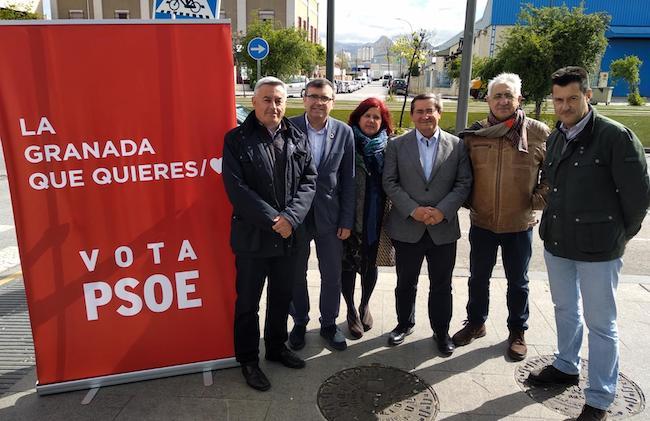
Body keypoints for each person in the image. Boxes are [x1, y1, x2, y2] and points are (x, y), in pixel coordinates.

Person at [527, 66, 650, 421]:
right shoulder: (556, 137)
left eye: (571, 99)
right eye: (558, 99)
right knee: (565, 310)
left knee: (602, 324)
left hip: (599, 249)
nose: (564, 106)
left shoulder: (615, 137)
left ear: (587, 96)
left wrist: (617, 236)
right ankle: (566, 365)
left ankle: (599, 397)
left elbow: (638, 198)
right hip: (558, 242)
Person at [222, 76, 317, 391]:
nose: (273, 106)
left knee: (282, 296)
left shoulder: (297, 137)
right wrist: (274, 219)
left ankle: (276, 347)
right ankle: (249, 359)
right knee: (248, 302)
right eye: (267, 99)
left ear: (285, 103)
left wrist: (290, 218)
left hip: (290, 237)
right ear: (254, 101)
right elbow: (237, 189)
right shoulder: (236, 139)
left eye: (279, 100)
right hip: (253, 237)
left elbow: (309, 181)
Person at [453, 73, 550, 361]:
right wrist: (470, 201)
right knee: (478, 277)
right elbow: (462, 173)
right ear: (488, 100)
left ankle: (517, 330)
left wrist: (538, 199)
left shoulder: (538, 132)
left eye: (509, 95)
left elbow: (555, 174)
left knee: (517, 281)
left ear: (519, 99)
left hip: (519, 224)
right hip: (483, 221)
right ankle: (476, 323)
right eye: (498, 95)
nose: (504, 101)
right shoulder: (475, 134)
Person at [382, 93, 472, 356]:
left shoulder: (457, 145)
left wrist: (442, 211)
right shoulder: (397, 145)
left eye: (430, 110)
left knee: (442, 284)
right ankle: (404, 323)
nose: (425, 116)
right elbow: (390, 182)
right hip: (407, 227)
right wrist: (414, 210)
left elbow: (463, 183)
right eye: (419, 111)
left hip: (443, 229)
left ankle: (441, 332)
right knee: (405, 282)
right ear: (412, 115)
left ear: (439, 113)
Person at [288, 78, 355, 351]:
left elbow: (349, 179)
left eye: (324, 98)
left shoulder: (343, 132)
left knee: (332, 274)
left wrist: (346, 220)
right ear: (304, 98)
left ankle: (329, 324)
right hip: (297, 217)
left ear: (332, 102)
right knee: (295, 273)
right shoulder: (288, 127)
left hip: (331, 217)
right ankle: (300, 322)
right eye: (313, 96)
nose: (318, 102)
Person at [341, 97, 395, 339]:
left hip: (377, 219)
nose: (371, 120)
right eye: (367, 115)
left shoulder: (389, 147)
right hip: (348, 220)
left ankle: (364, 304)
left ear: (382, 122)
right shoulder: (345, 142)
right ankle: (351, 310)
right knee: (347, 266)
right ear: (358, 118)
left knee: (371, 265)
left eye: (377, 117)